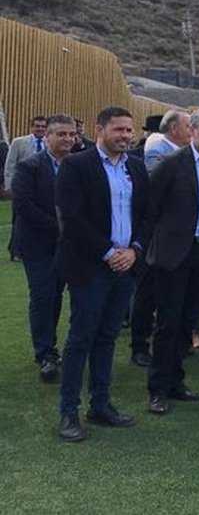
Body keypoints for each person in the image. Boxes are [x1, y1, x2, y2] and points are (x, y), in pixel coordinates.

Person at [56, 106, 151, 442]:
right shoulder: (76, 166)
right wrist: (111, 253)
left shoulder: (137, 169)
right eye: (119, 130)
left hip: (125, 268)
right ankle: (69, 411)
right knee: (81, 338)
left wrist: (134, 250)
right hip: (90, 268)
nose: (126, 136)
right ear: (99, 130)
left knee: (108, 338)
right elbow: (74, 218)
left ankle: (101, 405)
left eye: (129, 131)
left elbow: (147, 217)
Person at [145, 109, 199, 415]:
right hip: (173, 255)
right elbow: (150, 207)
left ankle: (176, 382)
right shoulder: (172, 164)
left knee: (188, 323)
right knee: (168, 323)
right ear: (193, 130)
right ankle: (157, 389)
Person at [11, 114, 76, 382]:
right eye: (61, 134)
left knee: (56, 295)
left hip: (68, 246)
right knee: (42, 295)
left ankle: (51, 348)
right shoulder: (30, 166)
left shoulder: (77, 165)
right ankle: (45, 354)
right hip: (37, 244)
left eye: (71, 134)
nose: (67, 139)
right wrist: (60, 228)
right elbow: (24, 205)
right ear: (46, 137)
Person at [132, 110, 194, 366]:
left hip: (182, 239)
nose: (192, 130)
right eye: (189, 125)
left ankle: (177, 342)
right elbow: (153, 197)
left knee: (176, 298)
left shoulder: (190, 156)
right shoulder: (161, 153)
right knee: (148, 294)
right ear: (173, 129)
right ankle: (139, 345)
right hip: (158, 237)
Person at [5, 115, 48, 260]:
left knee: (37, 219)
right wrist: (10, 185)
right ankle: (16, 251)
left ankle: (35, 249)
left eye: (43, 126)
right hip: (22, 188)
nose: (40, 129)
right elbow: (10, 165)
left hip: (42, 190)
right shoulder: (19, 142)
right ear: (32, 127)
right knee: (18, 220)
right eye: (37, 126)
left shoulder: (49, 143)